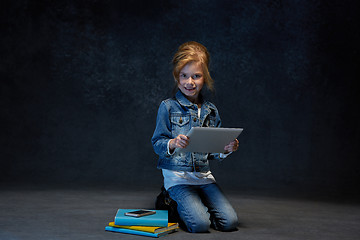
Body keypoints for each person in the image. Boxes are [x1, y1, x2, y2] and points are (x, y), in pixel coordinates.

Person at [151, 41, 239, 233]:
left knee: (230, 222)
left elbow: (213, 152)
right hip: (178, 178)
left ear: (205, 78)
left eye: (196, 76)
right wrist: (173, 143)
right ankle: (169, 198)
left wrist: (225, 149)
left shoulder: (211, 110)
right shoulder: (167, 107)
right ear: (177, 77)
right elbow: (157, 143)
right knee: (200, 225)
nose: (189, 82)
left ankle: (195, 202)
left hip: (203, 176)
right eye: (184, 76)